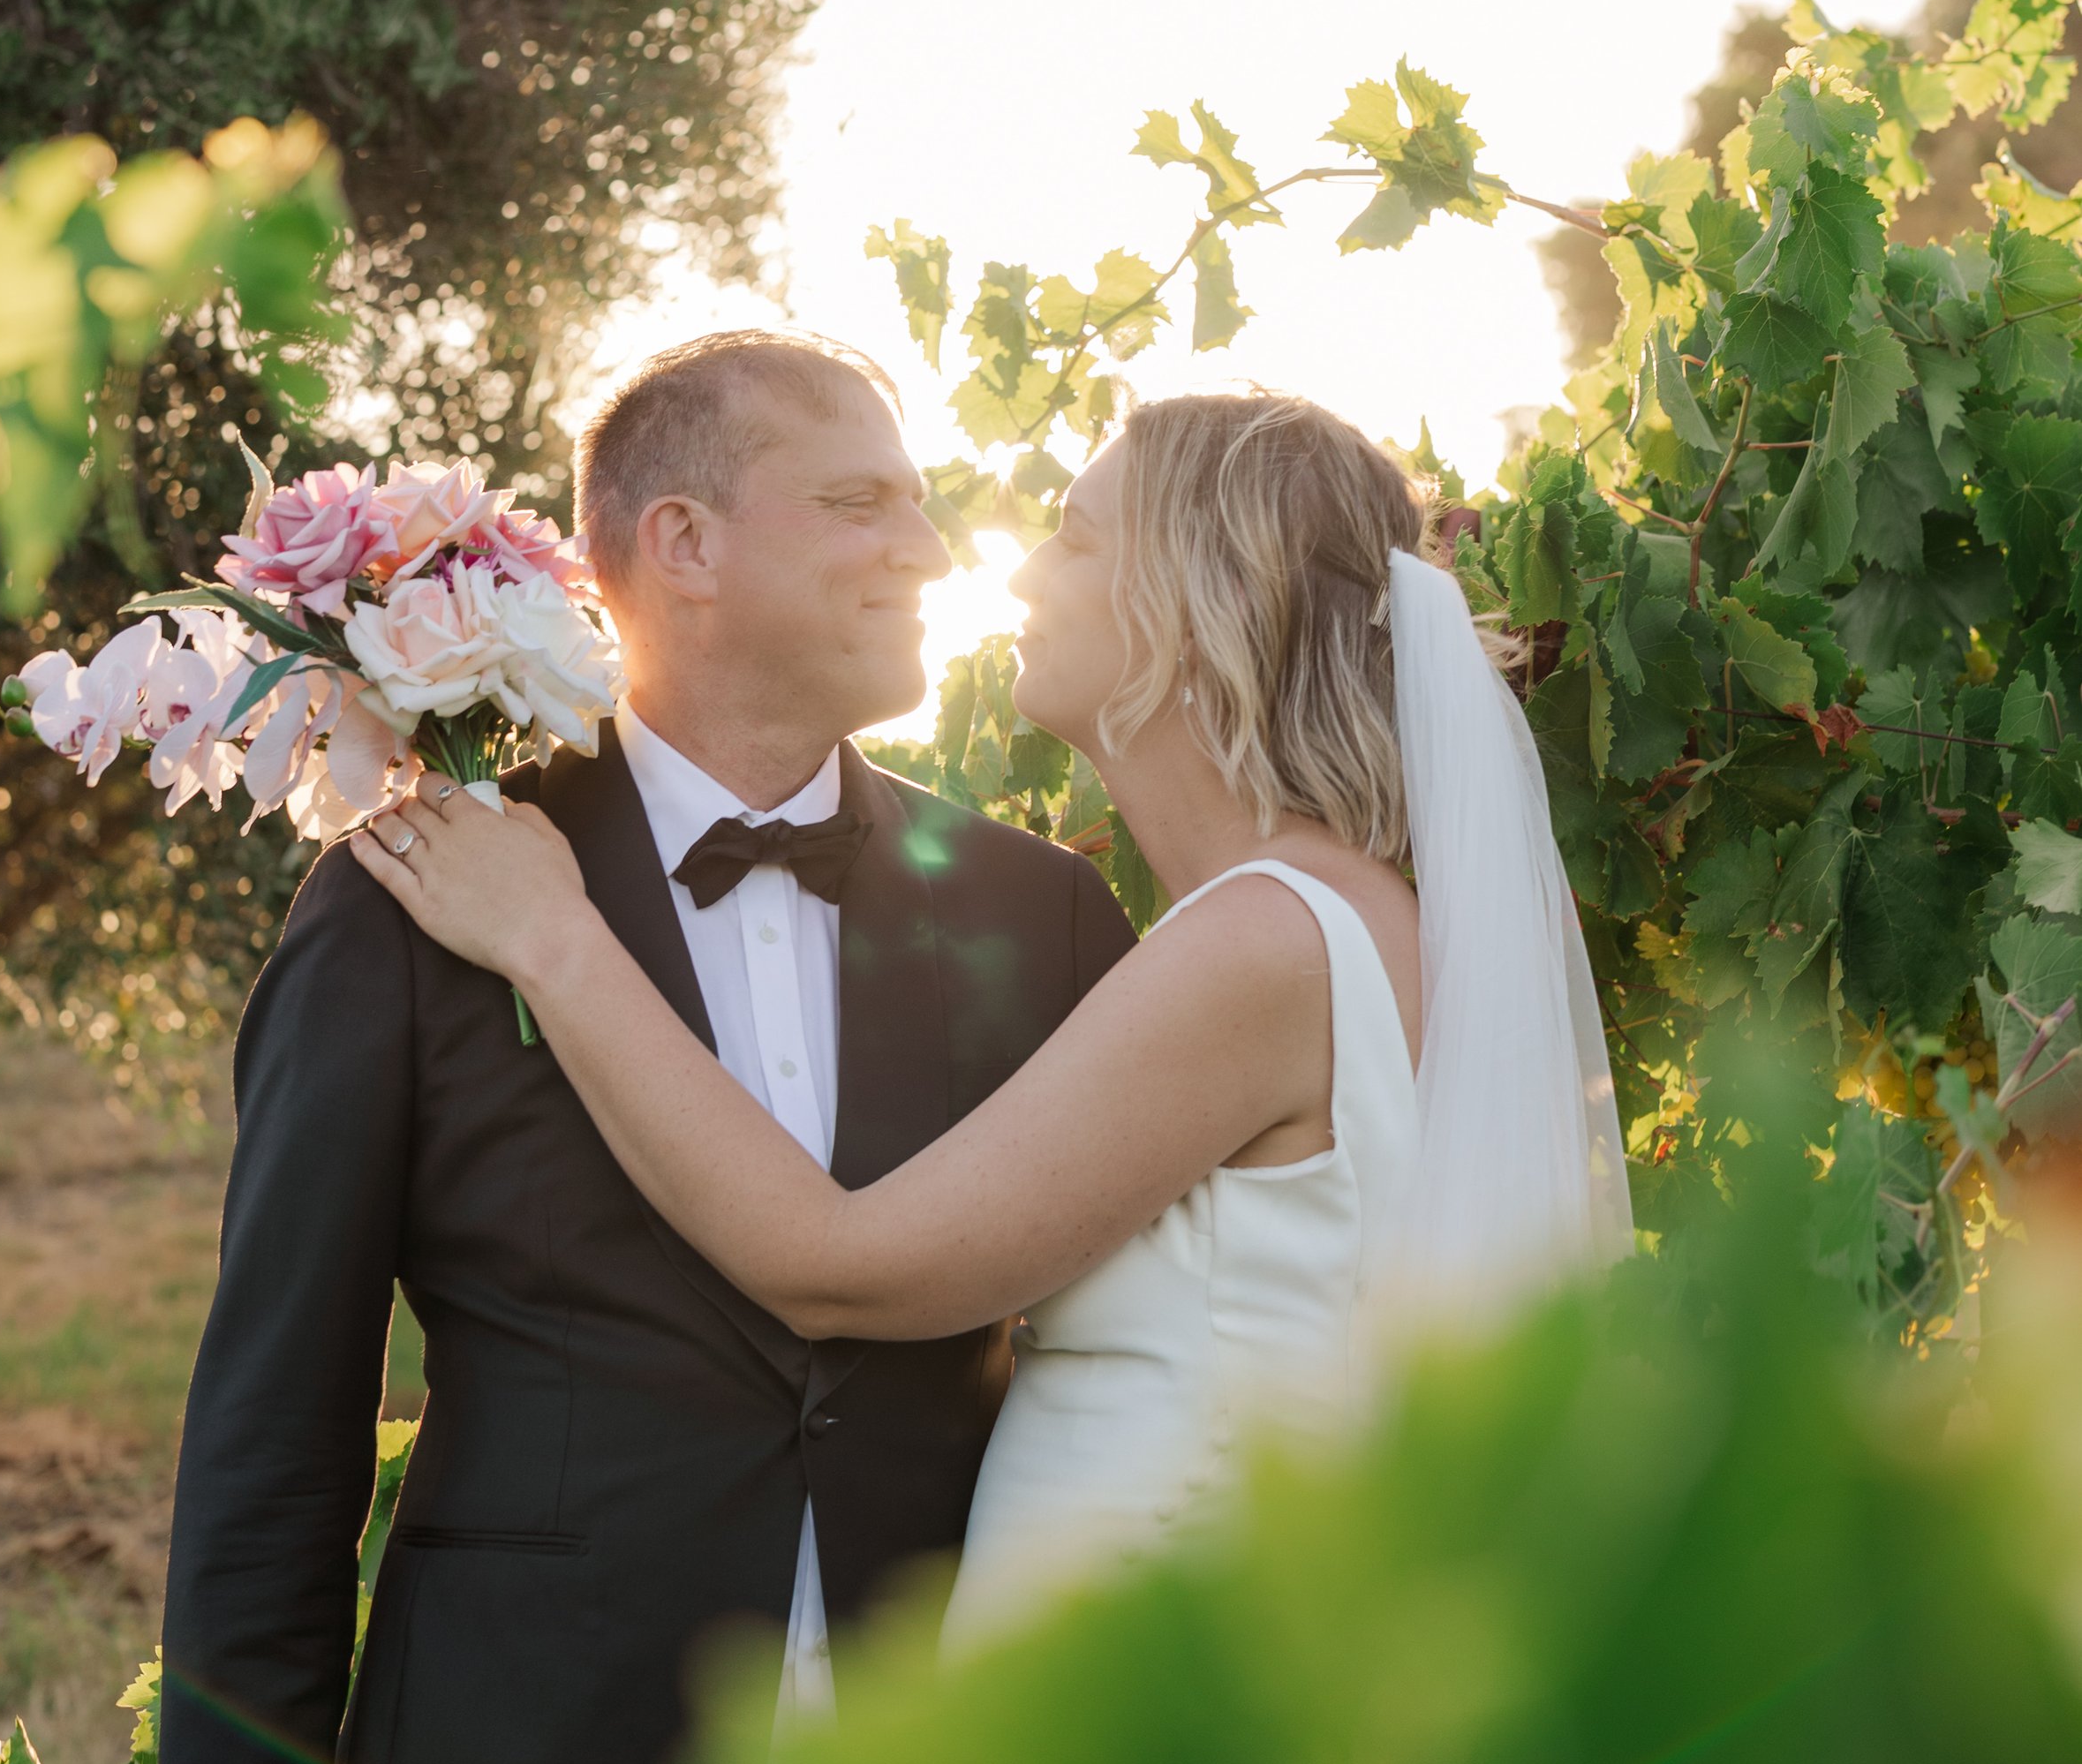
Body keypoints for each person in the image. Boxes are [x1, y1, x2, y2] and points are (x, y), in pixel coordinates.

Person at [149, 331, 1139, 1764]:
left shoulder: (1040, 909)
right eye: (860, 501)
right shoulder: (419, 895)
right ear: (680, 539)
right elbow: (272, 1423)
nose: (924, 547)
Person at [356, 388, 1630, 1667]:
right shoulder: (1325, 922)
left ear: (1201, 597)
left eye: (1074, 538)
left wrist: (554, 942)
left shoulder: (1267, 944)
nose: (1016, 568)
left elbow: (837, 1267)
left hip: (1144, 1702)